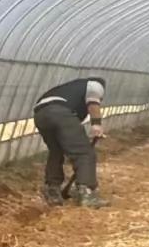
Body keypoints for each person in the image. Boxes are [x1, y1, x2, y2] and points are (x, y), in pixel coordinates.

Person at [33, 76, 107, 207]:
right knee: (83, 153)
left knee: (56, 151)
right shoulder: (95, 84)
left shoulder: (69, 88)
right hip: (61, 112)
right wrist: (96, 124)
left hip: (40, 114)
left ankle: (53, 190)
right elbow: (93, 102)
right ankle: (87, 193)